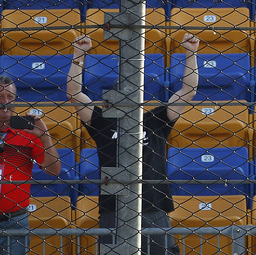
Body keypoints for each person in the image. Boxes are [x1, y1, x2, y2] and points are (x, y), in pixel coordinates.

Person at [66, 33, 199, 255]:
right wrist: (79, 54)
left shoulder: (155, 120)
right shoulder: (102, 122)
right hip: (114, 206)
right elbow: (74, 93)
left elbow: (188, 91)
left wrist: (191, 53)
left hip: (153, 204)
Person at [0, 75, 61, 255]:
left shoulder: (28, 132)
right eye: (0, 97)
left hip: (14, 221)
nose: (5, 102)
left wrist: (45, 136)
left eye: (10, 97)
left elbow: (54, 171)